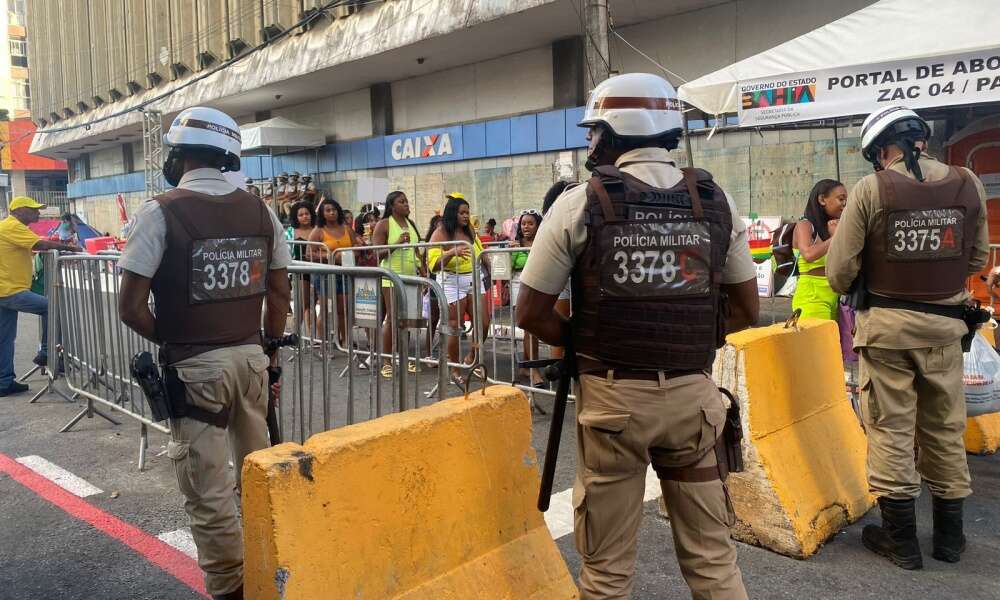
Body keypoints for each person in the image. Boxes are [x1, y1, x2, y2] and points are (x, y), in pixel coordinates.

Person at [516, 73, 758, 600]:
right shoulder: (717, 202)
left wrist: (585, 345)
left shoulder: (580, 203)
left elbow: (530, 312)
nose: (589, 145)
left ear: (613, 132)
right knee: (715, 563)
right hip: (695, 404)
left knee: (606, 574)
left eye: (594, 133)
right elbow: (745, 309)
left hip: (613, 407)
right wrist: (686, 339)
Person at [117, 106, 292, 600]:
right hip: (254, 363)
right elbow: (279, 296)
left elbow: (131, 308)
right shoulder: (262, 212)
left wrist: (179, 339)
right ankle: (273, 571)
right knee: (259, 478)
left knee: (209, 494)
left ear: (178, 156)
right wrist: (270, 358)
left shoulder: (160, 212)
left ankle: (232, 590)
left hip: (195, 371)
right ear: (228, 158)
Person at [827, 105, 989, 570]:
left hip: (887, 333)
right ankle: (949, 540)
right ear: (919, 138)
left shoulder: (871, 189)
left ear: (881, 150)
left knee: (891, 430)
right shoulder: (967, 182)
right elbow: (977, 256)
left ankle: (901, 542)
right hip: (945, 330)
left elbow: (839, 273)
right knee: (944, 429)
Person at [0, 197, 81, 396]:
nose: (38, 213)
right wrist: (73, 249)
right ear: (20, 211)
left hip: (6, 289)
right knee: (52, 306)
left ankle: (4, 381)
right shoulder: (11, 225)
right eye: (34, 210)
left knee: (5, 339)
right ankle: (46, 352)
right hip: (10, 289)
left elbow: (34, 246)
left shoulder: (12, 228)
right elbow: (42, 245)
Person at [428, 193, 490, 388]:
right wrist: (451, 252)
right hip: (450, 281)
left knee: (484, 323)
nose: (466, 216)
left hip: (473, 278)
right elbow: (433, 264)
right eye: (462, 212)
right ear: (453, 213)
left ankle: (472, 356)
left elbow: (479, 251)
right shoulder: (441, 232)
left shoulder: (470, 231)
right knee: (454, 326)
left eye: (467, 212)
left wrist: (489, 264)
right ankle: (454, 369)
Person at [372, 191, 423, 378]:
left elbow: (417, 252)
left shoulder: (411, 224)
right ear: (392, 206)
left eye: (407, 201)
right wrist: (396, 243)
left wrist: (424, 273)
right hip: (391, 277)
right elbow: (376, 253)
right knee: (393, 318)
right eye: (402, 202)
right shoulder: (384, 224)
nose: (406, 204)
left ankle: (404, 356)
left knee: (408, 319)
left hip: (411, 277)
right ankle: (386, 360)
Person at [791, 179, 847, 320]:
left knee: (834, 342)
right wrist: (835, 237)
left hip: (835, 295)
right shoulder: (805, 225)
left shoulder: (833, 227)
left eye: (846, 199)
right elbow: (809, 254)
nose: (844, 204)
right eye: (841, 199)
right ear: (822, 199)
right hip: (812, 296)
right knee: (817, 341)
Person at [308, 197, 360, 347]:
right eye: (328, 210)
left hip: (344, 273)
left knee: (343, 309)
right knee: (325, 309)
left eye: (334, 210)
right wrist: (330, 256)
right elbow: (309, 254)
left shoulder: (347, 229)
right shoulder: (318, 231)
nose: (332, 213)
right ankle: (323, 343)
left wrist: (349, 256)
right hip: (325, 274)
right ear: (322, 214)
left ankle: (346, 340)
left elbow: (357, 247)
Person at [509, 209, 545, 387]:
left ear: (538, 225)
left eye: (531, 223)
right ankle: (534, 370)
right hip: (519, 284)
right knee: (529, 328)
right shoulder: (516, 244)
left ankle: (525, 365)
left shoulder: (544, 243)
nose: (526, 227)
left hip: (538, 284)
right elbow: (507, 269)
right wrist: (510, 252)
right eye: (523, 224)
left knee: (532, 329)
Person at [541, 180, 572, 359]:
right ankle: (559, 379)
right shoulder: (551, 225)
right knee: (561, 334)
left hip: (576, 281)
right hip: (561, 280)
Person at [288, 201, 317, 333]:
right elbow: (287, 252)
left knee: (313, 303)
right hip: (299, 272)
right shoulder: (290, 231)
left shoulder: (318, 230)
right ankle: (296, 334)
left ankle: (314, 336)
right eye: (301, 215)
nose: (305, 216)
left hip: (318, 270)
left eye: (307, 213)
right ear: (296, 217)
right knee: (303, 304)